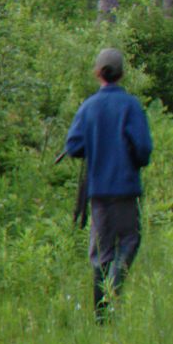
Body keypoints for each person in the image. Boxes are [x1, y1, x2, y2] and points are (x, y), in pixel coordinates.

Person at [63, 46, 152, 320]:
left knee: (101, 254)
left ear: (98, 73)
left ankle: (102, 317)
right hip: (126, 190)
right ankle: (116, 283)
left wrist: (95, 144)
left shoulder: (88, 107)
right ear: (122, 74)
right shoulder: (131, 106)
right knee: (129, 241)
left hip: (99, 192)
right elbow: (144, 150)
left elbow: (73, 146)